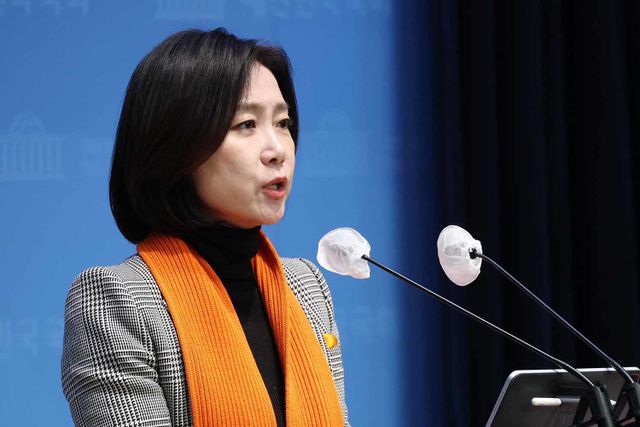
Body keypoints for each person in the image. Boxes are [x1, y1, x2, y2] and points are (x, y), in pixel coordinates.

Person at [61, 28, 349, 427]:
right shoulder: (118, 301)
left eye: (283, 123)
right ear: (177, 146)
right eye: (246, 124)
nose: (278, 150)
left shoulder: (307, 288)